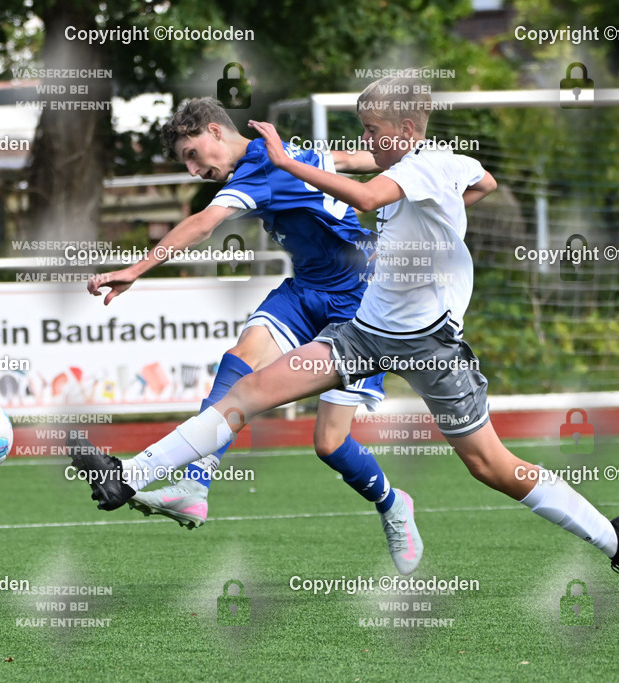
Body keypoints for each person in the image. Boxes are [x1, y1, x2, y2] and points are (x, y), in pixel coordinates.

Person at [72, 79, 619, 591]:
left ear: (406, 129)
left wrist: (286, 158)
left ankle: (616, 538)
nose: (367, 144)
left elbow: (369, 192)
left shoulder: (425, 165)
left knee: (489, 465)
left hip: (430, 347)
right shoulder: (426, 166)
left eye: (375, 132)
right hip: (363, 333)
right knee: (244, 394)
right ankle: (132, 476)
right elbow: (479, 182)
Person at [83, 97, 422, 574]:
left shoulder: (263, 167)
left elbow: (203, 224)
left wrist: (136, 269)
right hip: (304, 294)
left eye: (193, 154)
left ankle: (392, 504)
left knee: (329, 444)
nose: (194, 168)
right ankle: (195, 486)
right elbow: (349, 160)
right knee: (238, 359)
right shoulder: (284, 152)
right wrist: (400, 153)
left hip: (358, 307)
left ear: (216, 132)